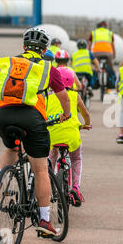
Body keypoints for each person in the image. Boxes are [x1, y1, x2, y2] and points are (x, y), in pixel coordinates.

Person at [0, 27, 72, 237]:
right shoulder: (48, 68)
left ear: (23, 47)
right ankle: (44, 220)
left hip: (3, 114)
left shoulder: (11, 62)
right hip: (31, 118)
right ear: (44, 50)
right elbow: (64, 98)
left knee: (12, 148)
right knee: (41, 169)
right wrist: (65, 115)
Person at [47, 67, 91, 207]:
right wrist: (86, 125)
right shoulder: (75, 96)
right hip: (71, 135)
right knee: (76, 158)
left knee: (51, 159)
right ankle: (76, 189)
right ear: (72, 82)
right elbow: (86, 114)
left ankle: (47, 187)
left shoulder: (49, 95)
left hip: (53, 134)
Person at [88, 21, 116, 88]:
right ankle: (114, 81)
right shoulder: (110, 33)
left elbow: (89, 45)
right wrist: (114, 54)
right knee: (111, 67)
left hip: (96, 53)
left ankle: (94, 82)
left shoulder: (93, 33)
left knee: (95, 66)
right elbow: (113, 46)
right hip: (108, 53)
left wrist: (89, 55)